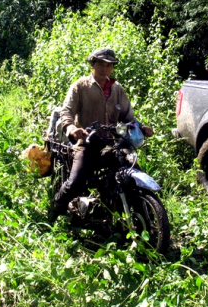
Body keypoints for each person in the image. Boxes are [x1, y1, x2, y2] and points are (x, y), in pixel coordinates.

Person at [52, 48, 154, 216]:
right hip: (86, 143)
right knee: (76, 181)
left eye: (109, 65)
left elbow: (128, 117)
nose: (104, 69)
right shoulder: (81, 86)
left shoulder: (117, 89)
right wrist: (72, 128)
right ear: (92, 64)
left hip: (112, 143)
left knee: (132, 171)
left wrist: (141, 128)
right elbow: (66, 112)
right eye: (100, 64)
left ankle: (133, 210)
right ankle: (57, 206)